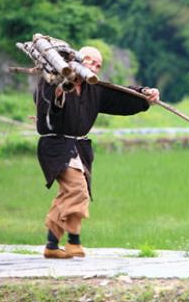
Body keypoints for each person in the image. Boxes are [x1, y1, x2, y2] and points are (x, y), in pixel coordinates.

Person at [34, 46, 159, 259]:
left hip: (78, 147)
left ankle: (55, 245)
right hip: (55, 145)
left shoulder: (95, 88)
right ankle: (72, 242)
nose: (94, 67)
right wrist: (60, 92)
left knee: (70, 193)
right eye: (90, 61)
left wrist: (144, 95)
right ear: (77, 59)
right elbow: (46, 104)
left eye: (98, 65)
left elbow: (121, 96)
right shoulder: (54, 79)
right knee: (78, 190)